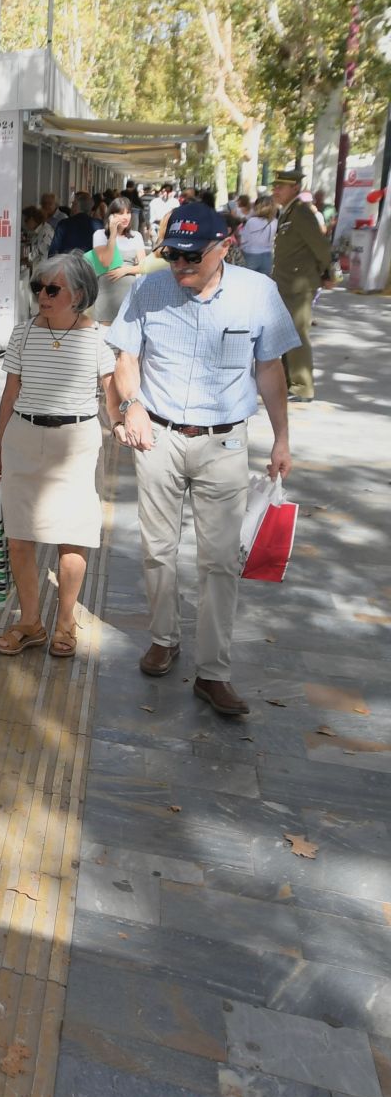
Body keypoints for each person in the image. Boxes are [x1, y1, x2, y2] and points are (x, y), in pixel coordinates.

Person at [108, 202, 297, 717]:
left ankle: (213, 672)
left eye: (192, 257)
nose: (180, 266)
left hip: (225, 443)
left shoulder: (258, 294)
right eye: (172, 255)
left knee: (219, 562)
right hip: (159, 438)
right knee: (157, 549)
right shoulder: (149, 289)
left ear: (225, 247)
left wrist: (281, 438)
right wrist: (132, 405)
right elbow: (125, 357)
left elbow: (270, 369)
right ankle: (164, 639)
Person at [0, 254, 115, 659]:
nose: (41, 296)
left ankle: (65, 622)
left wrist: (129, 422)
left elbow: (111, 394)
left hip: (75, 442)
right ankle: (31, 622)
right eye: (37, 288)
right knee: (19, 537)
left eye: (51, 289)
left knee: (73, 537)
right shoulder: (23, 334)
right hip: (24, 437)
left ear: (78, 294)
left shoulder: (97, 338)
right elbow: (10, 394)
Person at [269, 168, 333, 401]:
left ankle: (302, 386)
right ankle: (289, 380)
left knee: (297, 334)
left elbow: (320, 246)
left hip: (299, 284)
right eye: (275, 186)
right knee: (287, 333)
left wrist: (328, 272)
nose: (275, 190)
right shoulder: (288, 212)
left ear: (295, 188)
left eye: (280, 186)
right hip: (286, 283)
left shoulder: (301, 212)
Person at [83, 197, 147, 324]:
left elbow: (144, 265)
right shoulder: (100, 235)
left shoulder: (136, 236)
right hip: (106, 295)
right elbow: (105, 262)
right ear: (111, 215)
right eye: (120, 213)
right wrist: (112, 234)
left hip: (129, 294)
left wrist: (126, 270)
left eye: (128, 212)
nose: (126, 217)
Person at [239, 194, 278, 275]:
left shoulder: (252, 221)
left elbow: (243, 240)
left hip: (251, 254)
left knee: (248, 280)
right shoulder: (275, 221)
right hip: (268, 255)